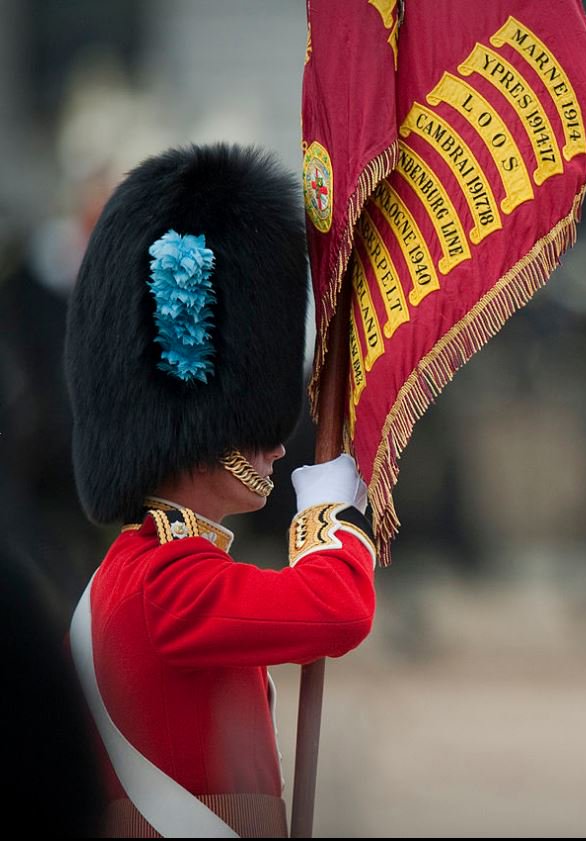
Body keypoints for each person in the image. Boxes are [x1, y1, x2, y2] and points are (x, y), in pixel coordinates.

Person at [64, 144, 377, 837]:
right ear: (201, 432)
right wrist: (332, 512)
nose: (275, 446)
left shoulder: (147, 570)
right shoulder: (164, 582)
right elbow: (337, 609)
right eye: (256, 427)